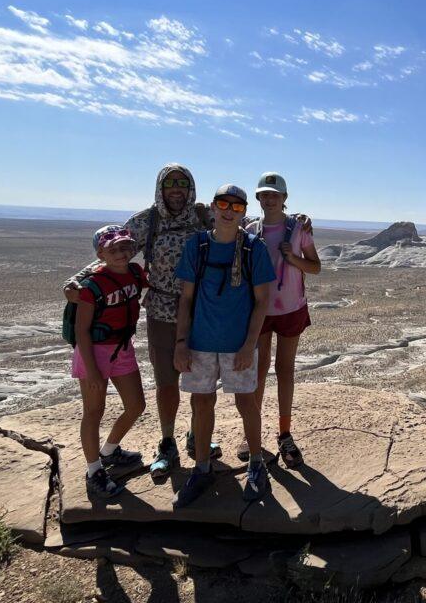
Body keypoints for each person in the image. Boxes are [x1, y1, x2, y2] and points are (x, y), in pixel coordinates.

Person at [63, 164, 311, 478]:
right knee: (167, 379)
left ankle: (199, 438)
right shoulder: (148, 220)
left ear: (191, 188)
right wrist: (80, 279)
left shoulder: (201, 216)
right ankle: (168, 442)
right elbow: (115, 249)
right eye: (170, 184)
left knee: (203, 387)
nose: (176, 189)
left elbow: (248, 220)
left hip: (204, 312)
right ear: (160, 189)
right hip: (164, 310)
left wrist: (298, 219)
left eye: (182, 183)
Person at [172, 184, 276, 507]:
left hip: (237, 345)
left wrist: (249, 346)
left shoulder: (252, 250)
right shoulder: (198, 246)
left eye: (237, 206)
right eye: (223, 204)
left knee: (247, 403)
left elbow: (262, 303)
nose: (229, 211)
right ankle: (201, 468)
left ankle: (257, 466)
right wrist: (181, 343)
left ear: (244, 212)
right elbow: (186, 298)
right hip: (201, 343)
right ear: (213, 207)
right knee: (201, 404)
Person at [240, 172, 321, 467]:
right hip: (260, 310)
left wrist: (294, 259)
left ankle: (285, 432)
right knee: (257, 373)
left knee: (284, 370)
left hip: (291, 309)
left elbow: (315, 266)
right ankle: (253, 434)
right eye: (264, 194)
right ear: (258, 198)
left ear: (285, 198)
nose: (269, 198)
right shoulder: (248, 228)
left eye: (275, 194)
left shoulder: (299, 228)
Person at [72, 225, 148, 499]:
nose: (120, 253)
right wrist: (92, 371)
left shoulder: (136, 273)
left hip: (122, 348)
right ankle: (94, 471)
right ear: (100, 254)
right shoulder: (92, 284)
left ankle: (109, 451)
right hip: (94, 352)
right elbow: (81, 330)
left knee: (137, 405)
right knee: (93, 412)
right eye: (112, 249)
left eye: (124, 247)